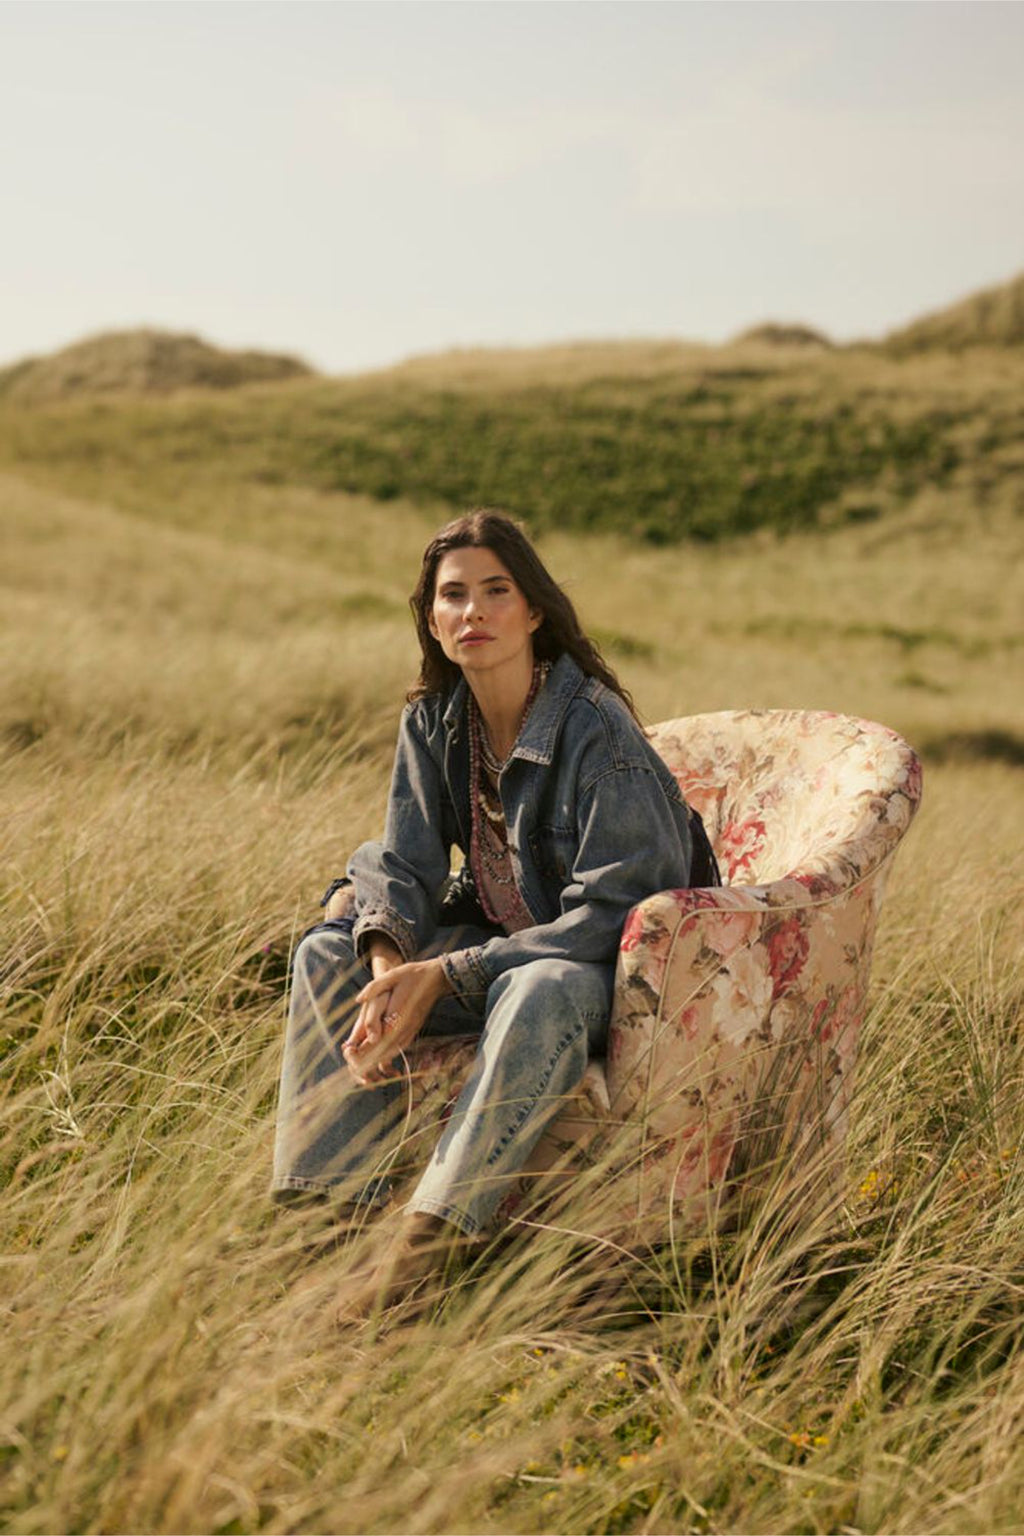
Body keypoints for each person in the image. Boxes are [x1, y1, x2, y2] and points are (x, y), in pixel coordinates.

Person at [271, 509, 716, 1315]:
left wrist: (444, 972)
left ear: (534, 610)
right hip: (504, 949)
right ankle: (325, 1226)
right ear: (432, 621)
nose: (473, 611)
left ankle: (420, 1252)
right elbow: (402, 863)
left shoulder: (597, 735)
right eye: (453, 596)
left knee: (537, 985)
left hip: (600, 971)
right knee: (325, 952)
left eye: (495, 591)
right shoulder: (435, 720)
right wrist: (387, 970)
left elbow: (620, 909)